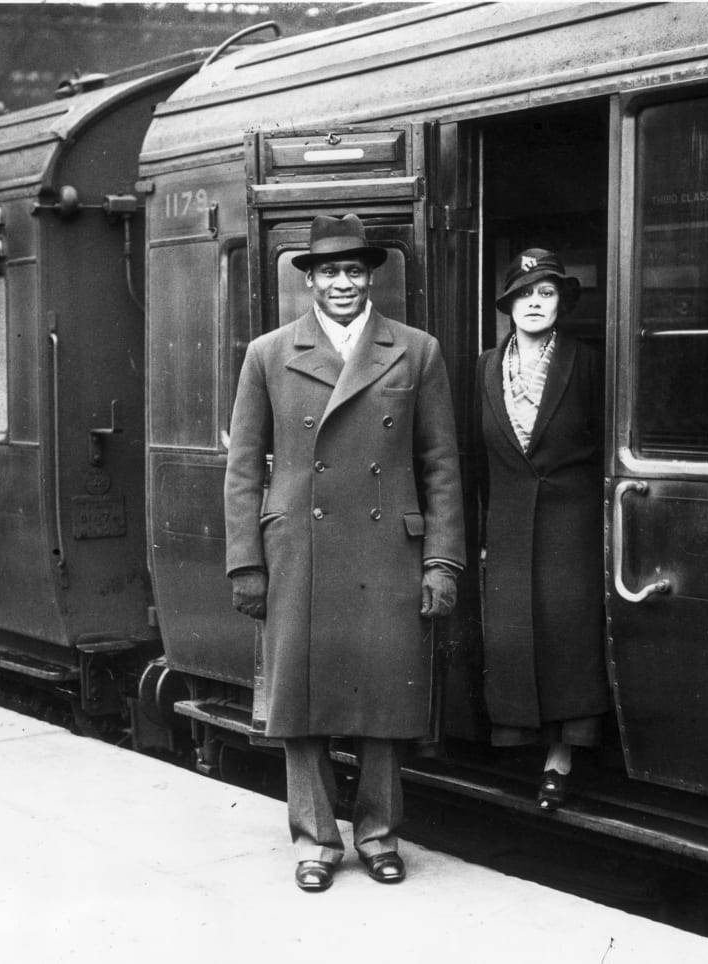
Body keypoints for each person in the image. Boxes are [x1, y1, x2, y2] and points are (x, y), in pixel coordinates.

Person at [225, 213, 465, 892]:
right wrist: (246, 562)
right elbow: (243, 467)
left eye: (353, 270)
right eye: (328, 271)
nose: (341, 282)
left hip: (387, 547)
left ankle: (380, 835)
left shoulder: (416, 350)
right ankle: (316, 841)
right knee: (300, 705)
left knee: (384, 702)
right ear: (311, 281)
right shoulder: (268, 353)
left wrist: (441, 561)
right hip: (298, 548)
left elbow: (441, 464)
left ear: (370, 277)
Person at [473, 248, 608, 811]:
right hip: (505, 524)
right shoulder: (482, 367)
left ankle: (562, 756)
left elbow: (604, 450)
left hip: (570, 526)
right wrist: (476, 532)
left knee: (567, 639)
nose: (534, 303)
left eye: (546, 293)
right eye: (524, 294)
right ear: (507, 305)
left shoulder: (588, 361)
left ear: (562, 302)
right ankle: (520, 740)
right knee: (516, 637)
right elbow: (474, 456)